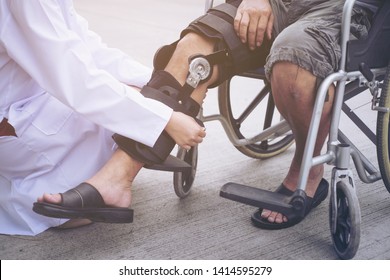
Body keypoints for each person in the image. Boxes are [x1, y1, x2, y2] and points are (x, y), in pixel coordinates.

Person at [32, 0, 378, 231]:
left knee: (293, 61)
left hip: (344, 7)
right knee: (193, 51)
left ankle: (309, 171)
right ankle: (116, 181)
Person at [0, 0, 206, 236]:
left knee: (143, 101)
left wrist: (156, 84)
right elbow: (73, 77)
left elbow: (86, 47)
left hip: (33, 102)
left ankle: (116, 168)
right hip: (14, 123)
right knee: (139, 114)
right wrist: (164, 117)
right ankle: (109, 182)